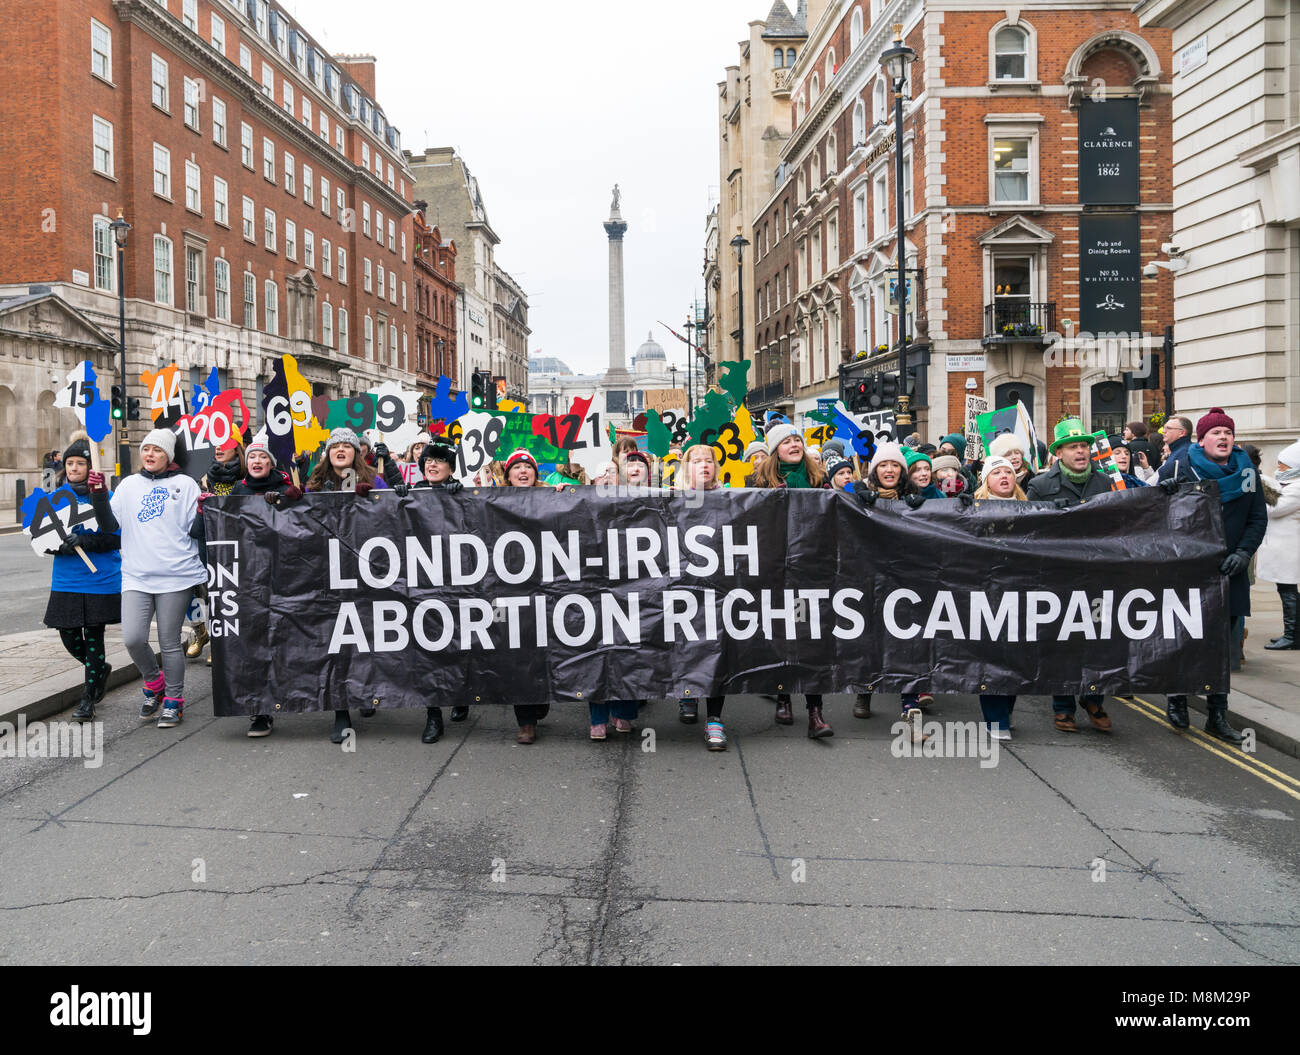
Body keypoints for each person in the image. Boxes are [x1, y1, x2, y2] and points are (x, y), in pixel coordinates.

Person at [1158, 408, 1267, 742]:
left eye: (1228, 433)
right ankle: (1177, 700)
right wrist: (1166, 492)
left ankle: (1217, 715)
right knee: (1185, 638)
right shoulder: (1180, 467)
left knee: (1221, 648)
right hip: (1189, 570)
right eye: (1216, 433)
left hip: (1229, 571)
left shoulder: (1247, 474)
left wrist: (1243, 553)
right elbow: (1153, 514)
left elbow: (1257, 519)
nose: (1223, 437)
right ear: (1201, 439)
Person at [87, 429, 204, 730]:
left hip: (176, 575)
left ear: (168, 456)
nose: (150, 454)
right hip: (137, 575)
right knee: (133, 638)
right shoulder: (128, 486)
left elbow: (196, 532)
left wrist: (204, 511)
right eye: (146, 449)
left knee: (169, 642)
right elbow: (109, 526)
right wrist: (99, 496)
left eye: (157, 450)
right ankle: (154, 682)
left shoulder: (185, 485)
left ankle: (174, 702)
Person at [1026, 419, 1116, 734]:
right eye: (1073, 447)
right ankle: (1063, 706)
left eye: (1084, 446)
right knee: (1062, 641)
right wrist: (1052, 516)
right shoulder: (1039, 486)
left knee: (1098, 639)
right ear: (1059, 452)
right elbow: (1031, 534)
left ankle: (1093, 699)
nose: (1080, 452)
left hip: (1096, 573)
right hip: (1058, 576)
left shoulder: (1104, 483)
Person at [306, 428, 388, 742]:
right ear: (328, 453)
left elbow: (393, 518)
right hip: (329, 573)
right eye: (335, 446)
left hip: (367, 572)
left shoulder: (375, 481)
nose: (341, 450)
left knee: (367, 637)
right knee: (338, 642)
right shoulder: (314, 483)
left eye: (347, 445)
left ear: (357, 451)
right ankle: (341, 710)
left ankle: (366, 691)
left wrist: (378, 501)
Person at [752, 423, 833, 736]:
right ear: (775, 450)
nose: (794, 444)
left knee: (811, 639)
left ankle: (815, 711)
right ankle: (783, 696)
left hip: (812, 570)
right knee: (781, 636)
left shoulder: (819, 480)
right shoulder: (758, 482)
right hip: (776, 570)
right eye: (786, 441)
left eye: (797, 439)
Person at [43, 434, 121, 723]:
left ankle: (88, 699)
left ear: (91, 467)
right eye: (70, 463)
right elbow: (41, 539)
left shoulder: (107, 497)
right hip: (66, 580)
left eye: (80, 463)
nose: (74, 467)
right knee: (69, 634)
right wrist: (56, 545)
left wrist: (85, 542)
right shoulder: (54, 499)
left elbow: (115, 538)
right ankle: (100, 670)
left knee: (93, 636)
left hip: (99, 578)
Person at [226, 438, 301, 737]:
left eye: (262, 457)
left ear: (271, 463)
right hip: (248, 579)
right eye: (252, 456)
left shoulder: (285, 488)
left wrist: (291, 501)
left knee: (283, 641)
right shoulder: (238, 491)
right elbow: (214, 531)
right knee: (254, 643)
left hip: (285, 578)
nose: (257, 460)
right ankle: (261, 710)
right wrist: (205, 510)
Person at [404, 438, 466, 742]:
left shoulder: (465, 494)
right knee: (428, 648)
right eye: (428, 460)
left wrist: (463, 497)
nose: (432, 464)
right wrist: (395, 500)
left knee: (460, 642)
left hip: (459, 581)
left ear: (451, 468)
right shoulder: (411, 494)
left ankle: (462, 693)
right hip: (422, 583)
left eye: (440, 460)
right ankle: (433, 715)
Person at [972, 456, 1026, 739]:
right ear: (986, 481)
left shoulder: (1032, 509)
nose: (1004, 476)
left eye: (1009, 472)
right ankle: (996, 719)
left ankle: (1006, 707)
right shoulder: (972, 510)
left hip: (1021, 590)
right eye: (997, 473)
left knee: (1017, 654)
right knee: (992, 654)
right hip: (987, 592)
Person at [501, 448, 551, 743]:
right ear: (507, 475)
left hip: (545, 587)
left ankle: (540, 702)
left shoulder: (550, 499)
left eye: (528, 467)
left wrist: (565, 494)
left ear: (535, 473)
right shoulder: (492, 502)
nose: (523, 471)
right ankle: (526, 721)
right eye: (517, 467)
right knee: (519, 652)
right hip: (510, 589)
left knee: (542, 650)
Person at [186, 440, 246, 662]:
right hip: (204, 542)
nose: (219, 449)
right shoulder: (203, 477)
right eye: (216, 445)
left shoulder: (245, 477)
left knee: (222, 596)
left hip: (233, 545)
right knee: (194, 594)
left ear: (237, 448)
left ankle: (220, 642)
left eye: (225, 444)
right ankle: (200, 632)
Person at [1256, 439, 1300, 650]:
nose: (1278, 468)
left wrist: (1259, 483)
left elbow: (1274, 508)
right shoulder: (1290, 484)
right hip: (1283, 546)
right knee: (1285, 589)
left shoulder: (1298, 487)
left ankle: (1292, 636)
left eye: (1283, 465)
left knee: (1288, 590)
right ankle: (1292, 633)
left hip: (1289, 547)